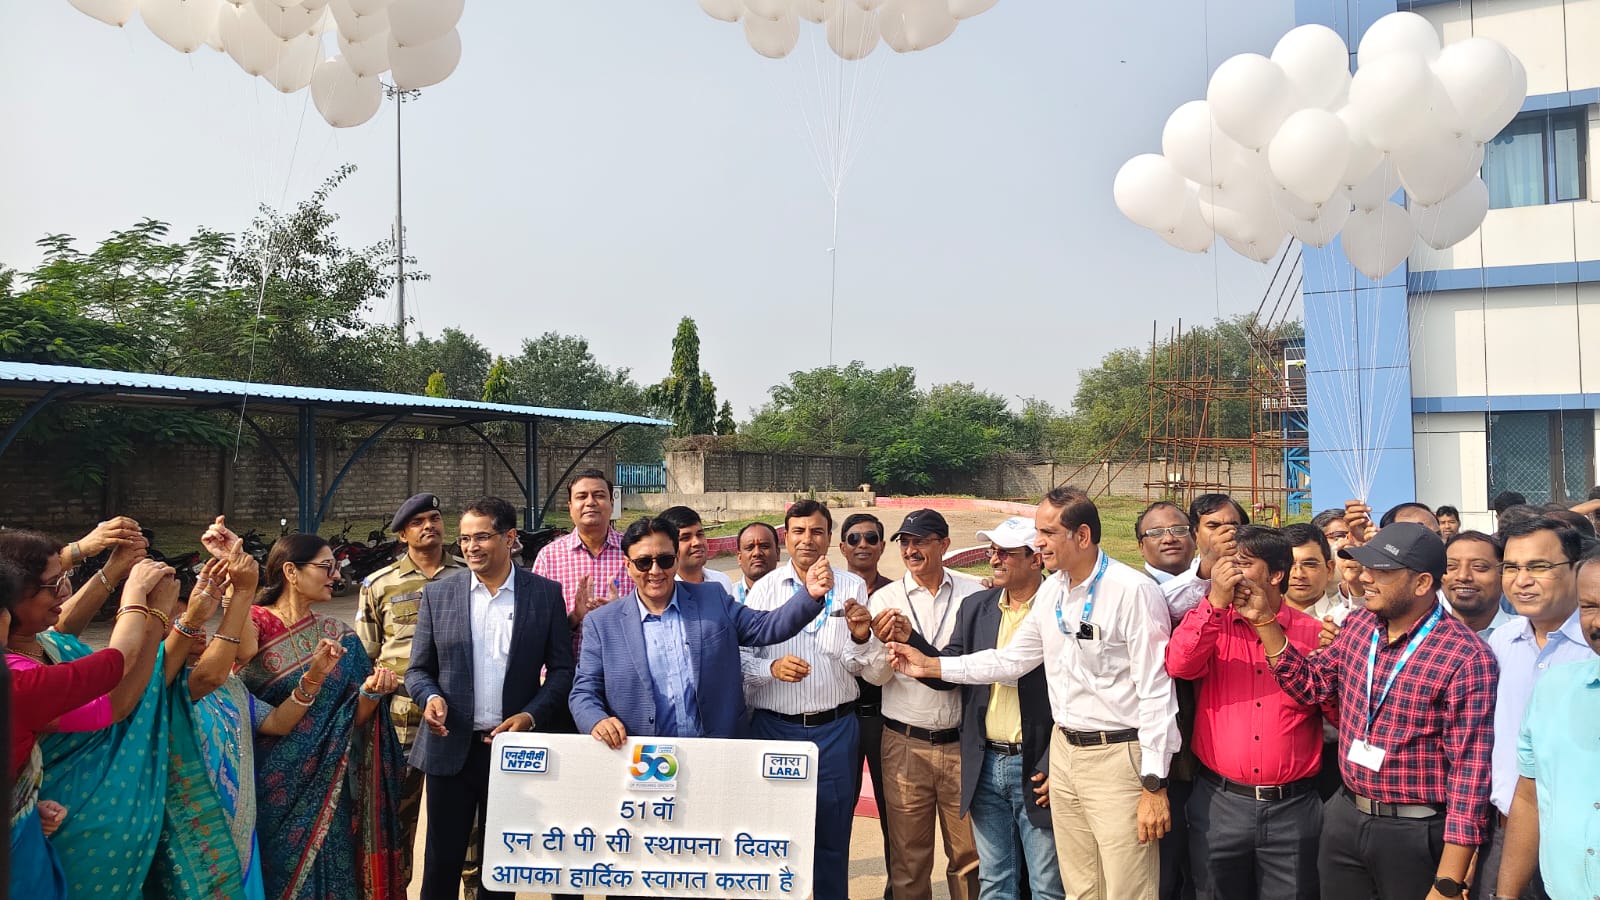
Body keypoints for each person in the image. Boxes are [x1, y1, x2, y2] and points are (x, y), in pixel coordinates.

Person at [888, 489, 1179, 900]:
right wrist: (930, 666)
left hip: (1117, 755)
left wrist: (1153, 783)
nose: (1039, 542)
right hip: (1065, 752)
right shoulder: (1054, 592)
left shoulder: (1131, 591)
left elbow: (1156, 693)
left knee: (1126, 887)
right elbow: (1010, 661)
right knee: (1079, 888)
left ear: (1082, 536)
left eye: (1047, 532)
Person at [1239, 522, 1497, 900]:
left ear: (1422, 583)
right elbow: (1310, 685)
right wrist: (1264, 620)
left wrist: (1448, 881)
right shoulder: (1360, 626)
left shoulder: (1466, 657)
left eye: (1381, 571)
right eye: (1366, 567)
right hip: (1346, 815)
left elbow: (1469, 774)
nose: (1365, 578)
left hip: (1415, 831)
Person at [154, 524, 344, 900]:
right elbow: (224, 663)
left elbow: (275, 722)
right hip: (191, 832)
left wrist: (314, 677)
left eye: (199, 621)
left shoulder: (231, 687)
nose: (199, 630)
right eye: (185, 625)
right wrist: (239, 591)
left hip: (241, 829)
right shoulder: (162, 687)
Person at [407, 496, 575, 900]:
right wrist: (430, 698)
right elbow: (418, 670)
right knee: (441, 863)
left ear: (509, 537)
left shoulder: (544, 594)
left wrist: (530, 716)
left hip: (513, 751)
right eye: (465, 539)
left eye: (481, 537)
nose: (471, 547)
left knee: (500, 866)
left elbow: (562, 670)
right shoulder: (439, 595)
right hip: (451, 747)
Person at [1, 528, 170, 898]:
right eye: (53, 585)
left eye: (66, 578)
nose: (64, 591)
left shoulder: (35, 649)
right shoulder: (20, 683)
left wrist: (113, 568)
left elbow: (60, 632)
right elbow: (115, 688)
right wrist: (142, 602)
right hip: (57, 840)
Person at [1166, 526, 1329, 900]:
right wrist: (1214, 603)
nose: (1229, 573)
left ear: (1275, 574)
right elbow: (1179, 665)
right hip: (1220, 803)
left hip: (1293, 808)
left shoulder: (1312, 633)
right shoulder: (1212, 622)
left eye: (1241, 564)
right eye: (1226, 564)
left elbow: (1331, 708)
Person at [239, 533, 405, 899]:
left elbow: (352, 721)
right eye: (326, 567)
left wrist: (371, 693)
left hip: (330, 785)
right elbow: (234, 668)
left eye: (336, 567)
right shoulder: (254, 622)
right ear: (291, 572)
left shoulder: (339, 635)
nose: (336, 575)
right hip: (272, 785)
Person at [570, 514, 833, 745]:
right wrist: (596, 721)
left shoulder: (711, 598)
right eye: (643, 562)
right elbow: (584, 692)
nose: (655, 571)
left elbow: (765, 627)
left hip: (716, 751)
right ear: (628, 566)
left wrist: (809, 594)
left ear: (676, 560)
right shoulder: (602, 623)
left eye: (664, 560)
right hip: (643, 760)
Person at [907, 516, 1062, 900]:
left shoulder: (1060, 608)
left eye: (1006, 553)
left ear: (1035, 559)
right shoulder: (976, 606)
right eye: (993, 551)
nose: (994, 559)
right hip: (985, 762)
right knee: (994, 882)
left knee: (1046, 886)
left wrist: (1054, 762)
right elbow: (951, 670)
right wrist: (912, 645)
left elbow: (1075, 693)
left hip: (1037, 765)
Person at [741, 499, 872, 900]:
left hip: (835, 730)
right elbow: (741, 660)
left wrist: (860, 638)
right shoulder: (763, 590)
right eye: (798, 531)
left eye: (817, 531)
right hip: (775, 729)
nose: (807, 540)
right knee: (775, 837)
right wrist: (771, 668)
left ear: (830, 538)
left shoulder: (851, 587)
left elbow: (858, 664)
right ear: (786, 538)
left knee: (832, 837)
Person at [856, 508, 984, 900]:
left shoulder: (973, 594)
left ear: (944, 544)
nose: (911, 550)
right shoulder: (886, 599)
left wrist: (913, 644)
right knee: (909, 860)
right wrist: (883, 646)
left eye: (921, 541)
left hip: (961, 744)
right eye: (906, 543)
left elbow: (977, 666)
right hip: (905, 743)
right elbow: (874, 677)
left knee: (969, 857)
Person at [1472, 517, 1593, 900]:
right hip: (1504, 832)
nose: (1522, 580)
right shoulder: (1496, 644)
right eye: (1511, 567)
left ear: (1577, 568)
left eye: (1538, 566)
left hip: (1581, 843)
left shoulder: (1593, 647)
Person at [356, 492, 464, 887]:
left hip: (459, 715)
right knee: (397, 818)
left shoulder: (469, 576)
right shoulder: (379, 584)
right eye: (417, 522)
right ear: (403, 535)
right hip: (400, 718)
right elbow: (364, 655)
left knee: (466, 823)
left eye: (434, 518)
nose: (428, 526)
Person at [839, 511, 896, 900]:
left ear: (882, 546)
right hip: (839, 719)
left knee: (894, 815)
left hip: (885, 718)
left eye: (871, 538)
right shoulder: (825, 594)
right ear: (842, 547)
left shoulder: (895, 595)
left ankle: (896, 891)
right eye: (855, 538)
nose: (863, 544)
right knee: (835, 813)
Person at [531, 469, 629, 643]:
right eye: (582, 496)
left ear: (612, 504)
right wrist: (575, 617)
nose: (590, 502)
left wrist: (622, 614)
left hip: (622, 658)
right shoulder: (549, 557)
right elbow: (536, 625)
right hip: (567, 659)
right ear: (570, 507)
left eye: (599, 495)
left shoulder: (633, 552)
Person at [659, 505, 737, 596]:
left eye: (699, 535)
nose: (697, 542)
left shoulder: (721, 581)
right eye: (685, 538)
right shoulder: (663, 591)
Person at [1444, 531, 1511, 637]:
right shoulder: (1422, 635)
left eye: (1479, 566)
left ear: (1503, 574)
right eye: (1451, 566)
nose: (1462, 576)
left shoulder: (1529, 635)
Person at [1282, 523, 1337, 618]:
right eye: (1289, 564)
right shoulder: (1261, 618)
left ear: (1329, 570)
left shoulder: (1346, 619)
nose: (1298, 575)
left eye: (1310, 564)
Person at [1136, 501, 1197, 583]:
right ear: (1141, 547)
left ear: (1194, 539)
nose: (1169, 539)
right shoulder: (1134, 589)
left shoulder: (1209, 584)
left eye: (1179, 530)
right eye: (1156, 532)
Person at [734, 521, 780, 602]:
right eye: (749, 548)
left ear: (777, 553)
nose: (757, 553)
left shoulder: (792, 594)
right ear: (739, 557)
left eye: (764, 546)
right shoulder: (728, 598)